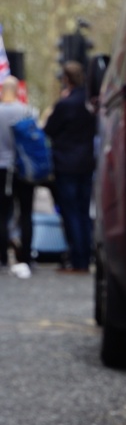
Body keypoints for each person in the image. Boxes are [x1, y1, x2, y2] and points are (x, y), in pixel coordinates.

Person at [43, 62, 96, 273]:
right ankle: (85, 255)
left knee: (71, 211)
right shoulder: (89, 102)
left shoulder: (65, 104)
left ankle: (77, 259)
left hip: (66, 163)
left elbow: (49, 129)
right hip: (86, 161)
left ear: (66, 79)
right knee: (84, 211)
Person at [0, 76, 36, 278]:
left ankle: (3, 256)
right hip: (24, 169)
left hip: (2, 167)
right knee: (26, 213)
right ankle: (27, 257)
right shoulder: (26, 110)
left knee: (2, 214)